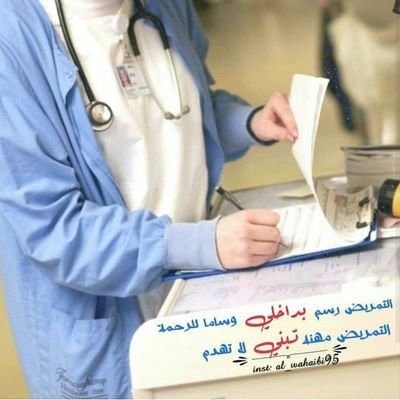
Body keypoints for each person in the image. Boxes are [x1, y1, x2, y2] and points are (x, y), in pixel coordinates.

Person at [0, 0, 297, 398]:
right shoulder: (12, 42)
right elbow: (55, 231)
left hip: (194, 293)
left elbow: (183, 112)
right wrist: (199, 243)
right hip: (111, 331)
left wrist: (250, 122)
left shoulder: (166, 6)